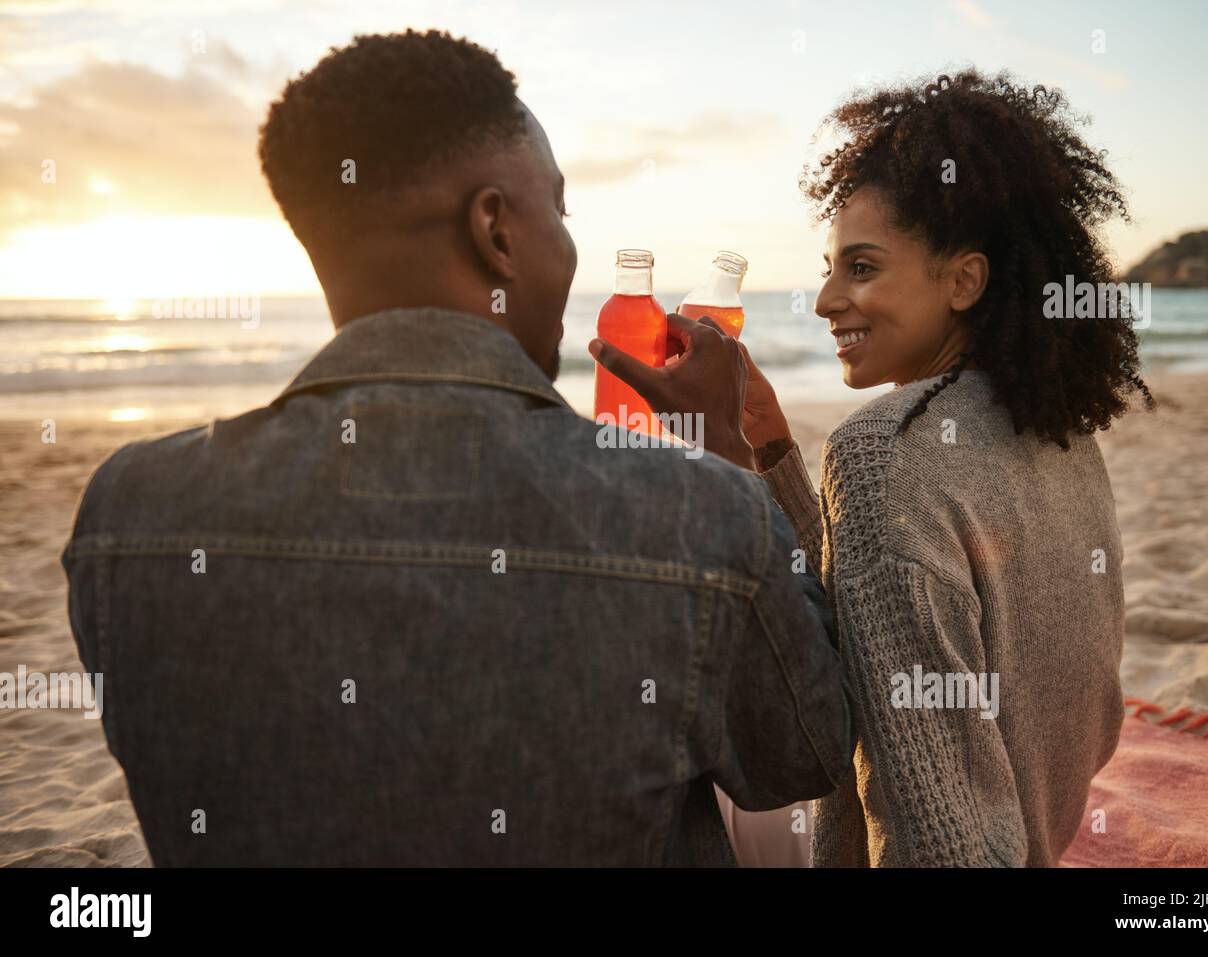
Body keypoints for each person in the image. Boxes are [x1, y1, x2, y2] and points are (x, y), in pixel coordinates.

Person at [61, 29, 853, 866]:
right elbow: (808, 750)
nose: (569, 242)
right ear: (496, 232)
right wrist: (726, 454)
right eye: (561, 208)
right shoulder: (698, 519)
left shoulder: (129, 518)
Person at [592, 70, 1153, 866]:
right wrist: (771, 449)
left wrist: (716, 460)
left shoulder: (882, 447)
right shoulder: (1052, 422)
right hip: (1044, 823)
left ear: (963, 280)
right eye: (830, 267)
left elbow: (930, 827)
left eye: (860, 268)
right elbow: (883, 601)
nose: (823, 299)